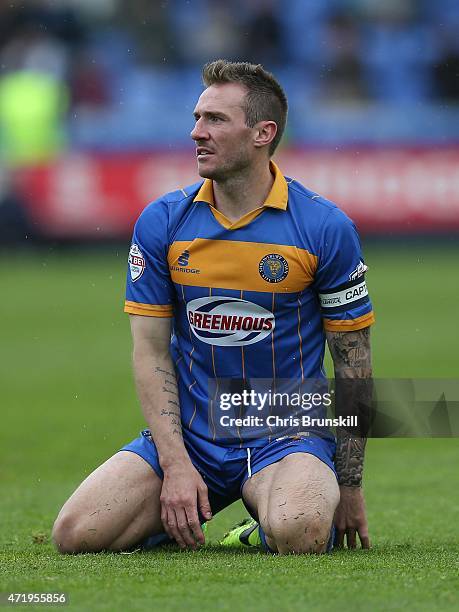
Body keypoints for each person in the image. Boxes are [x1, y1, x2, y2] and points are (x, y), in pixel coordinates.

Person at [52, 59, 374, 555]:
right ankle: (180, 515)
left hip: (287, 438)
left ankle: (261, 524)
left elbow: (354, 364)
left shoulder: (325, 228)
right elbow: (151, 353)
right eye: (198, 117)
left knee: (301, 531)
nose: (195, 132)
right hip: (194, 438)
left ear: (262, 133)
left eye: (214, 120)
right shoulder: (163, 221)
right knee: (77, 535)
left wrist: (350, 487)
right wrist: (175, 464)